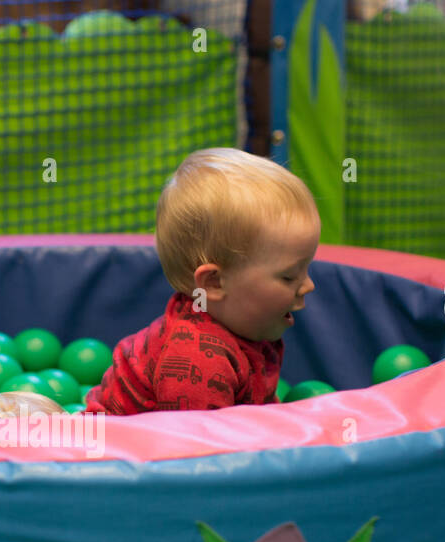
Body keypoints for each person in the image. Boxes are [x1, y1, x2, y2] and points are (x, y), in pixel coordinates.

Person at [86, 148, 319, 414]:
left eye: (306, 269)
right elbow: (199, 450)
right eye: (289, 276)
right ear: (214, 283)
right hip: (109, 449)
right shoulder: (198, 363)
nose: (308, 285)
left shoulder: (249, 324)